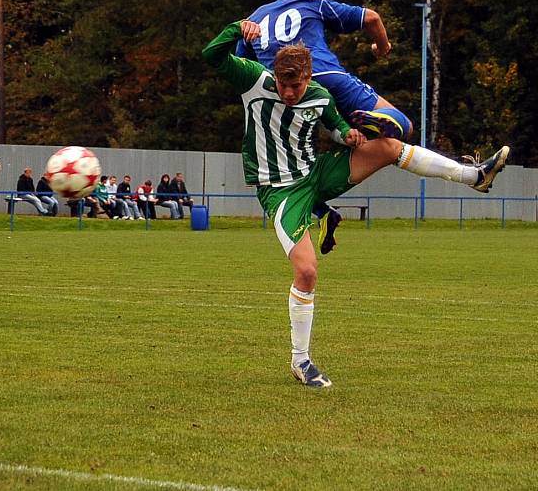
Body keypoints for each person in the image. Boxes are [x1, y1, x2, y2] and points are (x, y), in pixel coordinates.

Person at [203, 21, 509, 389]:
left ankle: (474, 177)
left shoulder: (319, 95)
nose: (288, 92)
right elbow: (211, 55)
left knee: (389, 147)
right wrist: (237, 29)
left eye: (295, 85)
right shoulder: (254, 80)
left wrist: (348, 134)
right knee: (307, 273)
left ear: (308, 77)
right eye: (283, 85)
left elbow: (335, 128)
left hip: (315, 173)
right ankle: (301, 361)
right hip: (280, 191)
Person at [237, 0, 415, 253]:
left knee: (294, 168)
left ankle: (324, 210)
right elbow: (372, 17)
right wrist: (382, 47)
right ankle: (367, 125)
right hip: (324, 78)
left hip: (282, 96)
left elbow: (241, 63)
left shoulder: (254, 19)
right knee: (403, 126)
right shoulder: (313, 5)